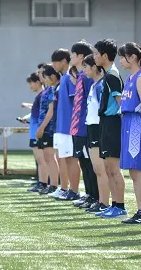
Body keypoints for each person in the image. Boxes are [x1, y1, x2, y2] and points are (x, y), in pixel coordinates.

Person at [118, 42, 141, 225]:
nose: (121, 60)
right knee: (134, 171)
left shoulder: (140, 77)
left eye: (123, 56)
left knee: (139, 171)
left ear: (133, 57)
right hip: (128, 123)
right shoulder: (130, 78)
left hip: (137, 125)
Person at [93, 39, 127, 219]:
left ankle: (120, 206)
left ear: (105, 56)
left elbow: (121, 103)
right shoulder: (107, 75)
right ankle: (114, 204)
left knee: (113, 168)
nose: (94, 57)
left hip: (112, 123)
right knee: (108, 168)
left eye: (97, 54)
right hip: (105, 122)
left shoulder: (112, 76)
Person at [69, 41, 99, 208]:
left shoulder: (87, 77)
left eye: (73, 55)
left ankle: (94, 196)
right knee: (83, 161)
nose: (71, 58)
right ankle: (89, 194)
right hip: (76, 126)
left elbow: (90, 102)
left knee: (89, 163)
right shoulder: (80, 75)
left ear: (81, 56)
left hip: (84, 126)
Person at [82, 54, 110, 213]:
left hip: (99, 128)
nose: (84, 70)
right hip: (91, 127)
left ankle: (105, 203)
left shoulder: (101, 85)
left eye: (86, 66)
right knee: (97, 169)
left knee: (101, 169)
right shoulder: (94, 85)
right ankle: (101, 201)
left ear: (94, 67)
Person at [51, 50, 79, 200]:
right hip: (61, 125)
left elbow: (76, 102)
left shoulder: (69, 78)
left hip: (69, 126)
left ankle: (73, 191)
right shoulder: (63, 79)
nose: (53, 64)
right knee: (65, 158)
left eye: (55, 61)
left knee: (71, 159)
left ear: (63, 61)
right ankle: (66, 189)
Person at [37, 65, 62, 195]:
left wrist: (42, 128)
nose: (42, 78)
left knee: (50, 157)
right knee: (47, 157)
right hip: (45, 127)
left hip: (49, 128)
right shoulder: (48, 89)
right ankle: (50, 184)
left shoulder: (52, 90)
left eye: (44, 75)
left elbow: (51, 111)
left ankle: (53, 185)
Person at [25, 71, 49, 193]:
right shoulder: (39, 96)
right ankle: (41, 182)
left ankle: (44, 183)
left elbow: (44, 115)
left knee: (41, 160)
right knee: (40, 160)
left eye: (31, 83)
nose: (30, 86)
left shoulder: (42, 95)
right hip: (34, 131)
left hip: (38, 133)